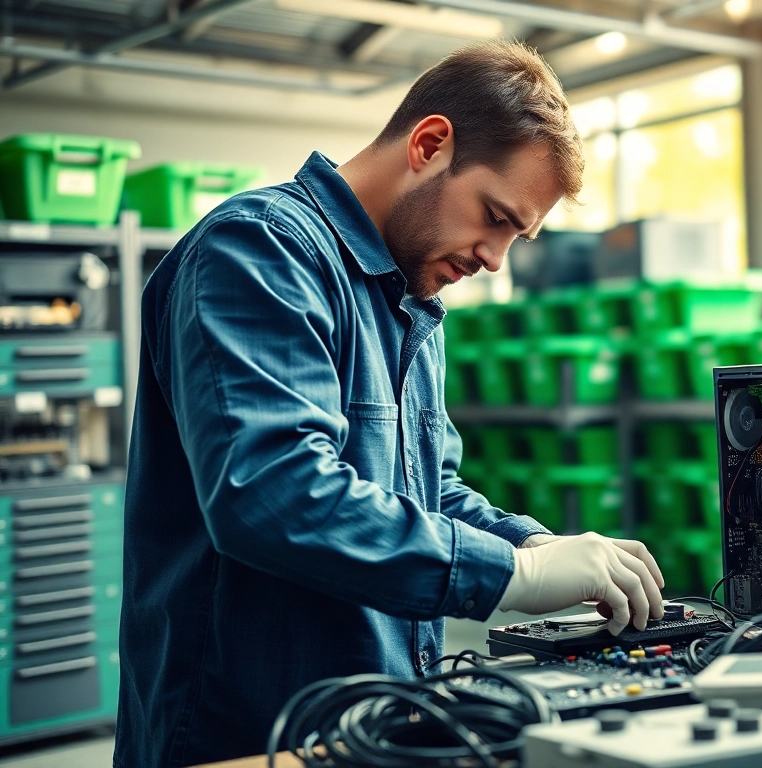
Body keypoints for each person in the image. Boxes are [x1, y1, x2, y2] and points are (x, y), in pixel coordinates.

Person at [114, 40, 664, 768]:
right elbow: (272, 492)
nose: (495, 259)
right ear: (430, 144)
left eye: (517, 236)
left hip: (374, 719)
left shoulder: (410, 295)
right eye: (494, 217)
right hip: (246, 729)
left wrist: (528, 542)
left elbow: (426, 487)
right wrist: (514, 578)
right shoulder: (258, 253)